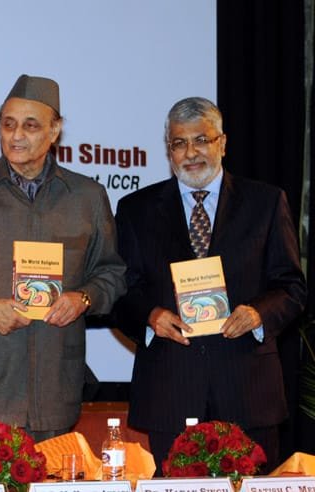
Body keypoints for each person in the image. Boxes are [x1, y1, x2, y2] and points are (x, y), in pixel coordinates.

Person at [0, 74, 126, 440]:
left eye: (30, 126)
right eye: (8, 124)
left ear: (55, 130)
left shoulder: (87, 196)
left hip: (55, 390)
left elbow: (111, 274)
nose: (16, 136)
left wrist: (83, 299)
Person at [114, 97, 306, 472]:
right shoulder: (136, 209)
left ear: (222, 143)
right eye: (178, 143)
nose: (190, 153)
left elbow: (292, 288)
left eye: (201, 140)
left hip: (248, 391)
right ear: (168, 149)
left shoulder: (265, 203)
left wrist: (257, 313)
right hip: (171, 391)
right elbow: (121, 293)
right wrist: (150, 316)